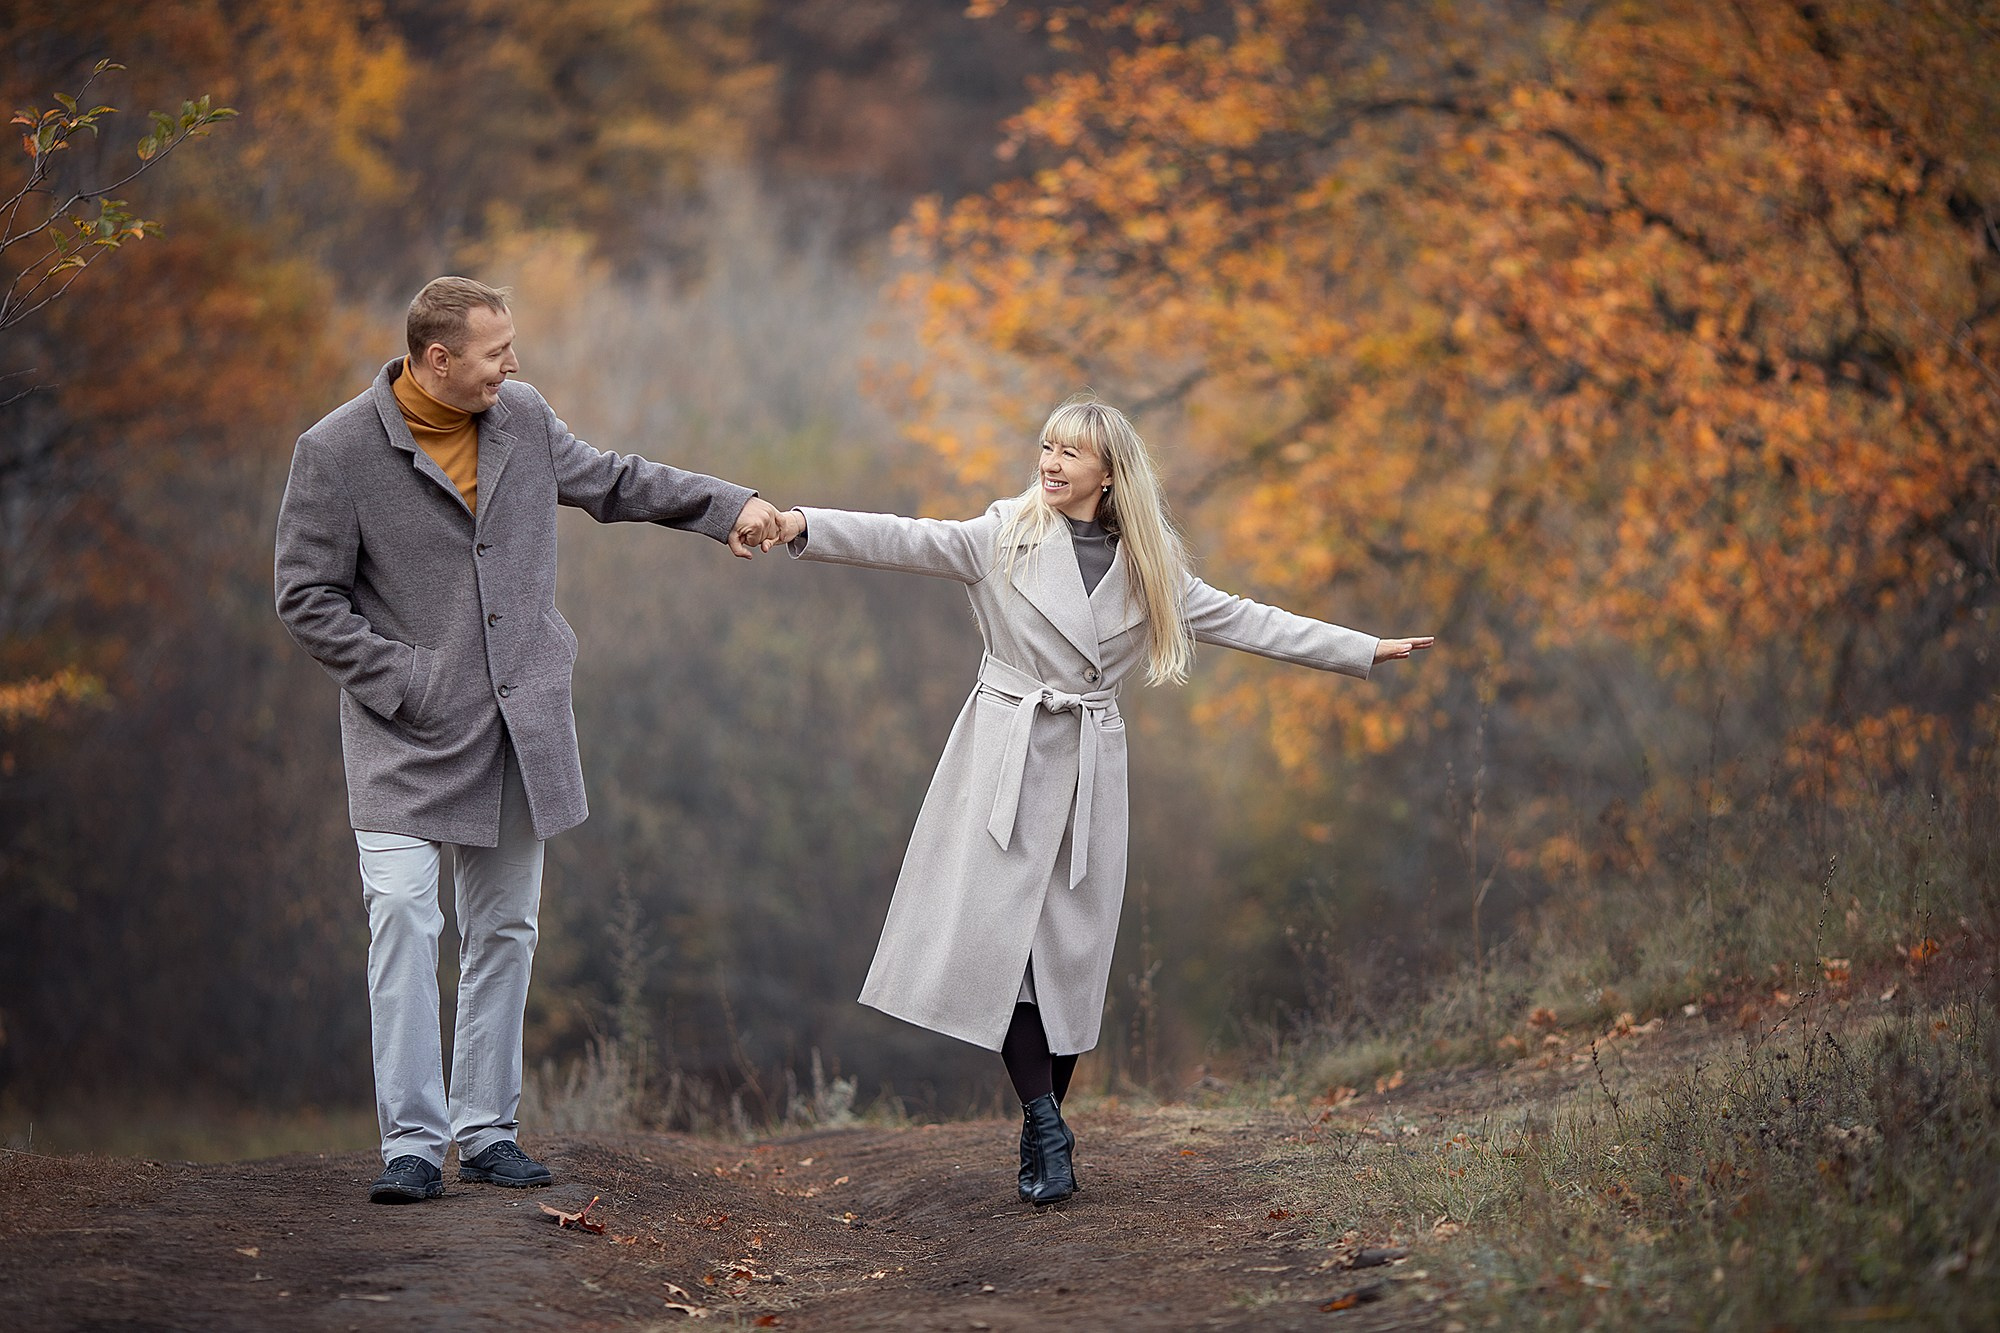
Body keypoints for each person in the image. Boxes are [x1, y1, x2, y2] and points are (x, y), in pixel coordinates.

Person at [774, 395, 1432, 1205]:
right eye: (1046, 446)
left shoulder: (1152, 572)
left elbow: (1254, 621)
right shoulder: (1001, 538)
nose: (1049, 462)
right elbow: (904, 537)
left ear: (1108, 474)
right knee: (1005, 956)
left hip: (1089, 770)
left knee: (1069, 963)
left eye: (1069, 453)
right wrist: (801, 522)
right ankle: (1046, 1124)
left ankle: (1044, 1125)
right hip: (1004, 760)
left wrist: (1363, 648)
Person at [274, 277, 784, 1204]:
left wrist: (728, 506)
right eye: (496, 351)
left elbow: (617, 481)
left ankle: (488, 1128)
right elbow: (307, 595)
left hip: (521, 725)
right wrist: (408, 681)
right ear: (438, 359)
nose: (514, 365)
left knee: (504, 927)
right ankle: (414, 1145)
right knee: (400, 920)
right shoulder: (336, 451)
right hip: (402, 738)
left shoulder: (523, 417)